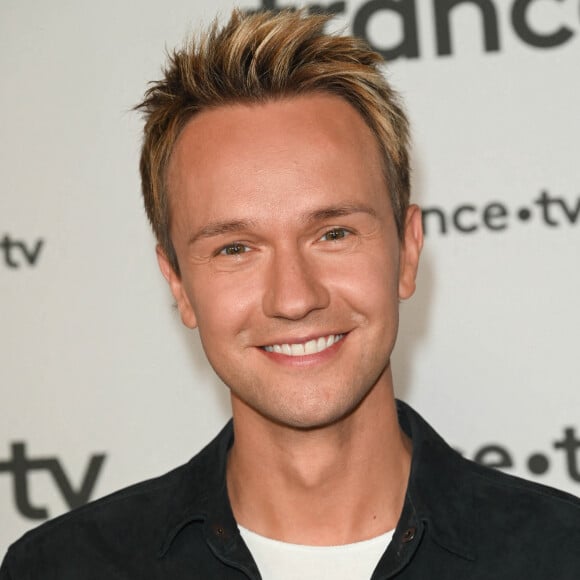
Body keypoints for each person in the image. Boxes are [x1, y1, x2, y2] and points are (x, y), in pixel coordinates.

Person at [2, 8, 579, 580]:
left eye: (333, 234)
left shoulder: (561, 555)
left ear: (407, 250)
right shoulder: (63, 567)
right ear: (178, 284)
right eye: (235, 248)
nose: (294, 298)